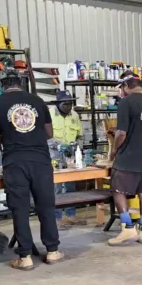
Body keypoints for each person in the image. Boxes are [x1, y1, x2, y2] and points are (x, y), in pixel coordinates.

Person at [0, 68, 62, 270]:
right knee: (46, 205)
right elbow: (48, 133)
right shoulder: (37, 101)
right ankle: (53, 251)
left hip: (15, 161)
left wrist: (9, 137)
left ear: (1, 85)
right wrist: (31, 138)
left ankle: (25, 256)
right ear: (21, 82)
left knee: (20, 208)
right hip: (41, 160)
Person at [107, 73, 142, 246]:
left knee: (117, 189)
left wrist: (114, 150)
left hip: (129, 156)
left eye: (121, 88)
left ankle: (128, 227)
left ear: (126, 86)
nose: (121, 92)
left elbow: (121, 133)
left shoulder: (126, 102)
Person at [49, 90, 81, 223]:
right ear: (58, 104)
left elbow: (79, 134)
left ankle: (70, 215)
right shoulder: (49, 115)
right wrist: (57, 146)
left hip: (70, 156)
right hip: (53, 155)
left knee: (70, 186)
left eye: (70, 104)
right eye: (65, 104)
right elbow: (44, 136)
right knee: (56, 187)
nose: (68, 107)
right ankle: (56, 217)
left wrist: (77, 146)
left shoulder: (74, 115)